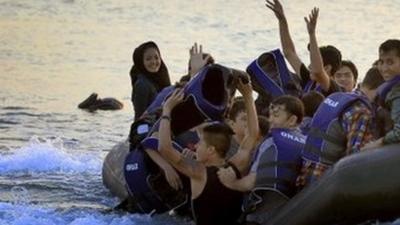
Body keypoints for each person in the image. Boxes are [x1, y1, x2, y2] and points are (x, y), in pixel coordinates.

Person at [158, 77, 259, 225]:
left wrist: (166, 111)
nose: (196, 146)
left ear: (211, 150)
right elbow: (252, 135)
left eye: (201, 143)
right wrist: (248, 97)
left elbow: (164, 148)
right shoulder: (237, 166)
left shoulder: (198, 172)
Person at [218, 95, 305, 225]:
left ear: (292, 120)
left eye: (276, 115)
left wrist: (231, 183)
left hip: (262, 217)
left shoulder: (272, 142)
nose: (270, 120)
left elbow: (251, 182)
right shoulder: (306, 142)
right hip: (292, 214)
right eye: (270, 115)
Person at [297, 65, 385, 190]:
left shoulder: (335, 97)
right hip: (322, 181)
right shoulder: (361, 111)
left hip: (304, 172)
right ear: (381, 88)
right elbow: (356, 157)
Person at [265, 0, 342, 97]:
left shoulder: (332, 87)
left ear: (327, 68)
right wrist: (282, 20)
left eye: (312, 63)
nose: (309, 66)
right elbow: (289, 52)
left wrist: (312, 34)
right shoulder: (309, 79)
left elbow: (318, 71)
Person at [362, 39, 400, 150]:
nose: (384, 68)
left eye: (390, 62)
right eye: (381, 62)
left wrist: (379, 143)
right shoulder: (392, 88)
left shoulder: (397, 94)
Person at [130, 41, 171, 121]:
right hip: (148, 131)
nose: (153, 62)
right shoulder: (142, 85)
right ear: (141, 62)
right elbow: (140, 117)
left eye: (156, 57)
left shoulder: (160, 79)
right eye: (148, 59)